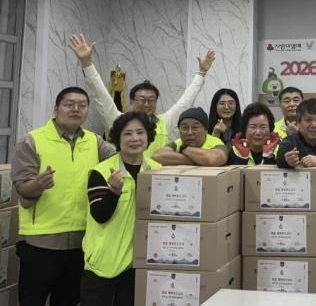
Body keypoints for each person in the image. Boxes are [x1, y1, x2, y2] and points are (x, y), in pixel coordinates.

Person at [11, 86, 117, 306]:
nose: (76, 109)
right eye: (69, 104)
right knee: (32, 301)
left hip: (81, 241)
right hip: (42, 242)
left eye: (82, 105)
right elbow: (22, 188)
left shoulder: (94, 141)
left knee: (68, 301)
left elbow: (121, 158)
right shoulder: (32, 141)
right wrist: (38, 184)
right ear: (56, 108)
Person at [68, 34, 215, 157]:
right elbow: (101, 95)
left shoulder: (163, 122)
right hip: (124, 177)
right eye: (142, 100)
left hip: (157, 178)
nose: (147, 104)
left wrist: (201, 73)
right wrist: (87, 63)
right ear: (131, 101)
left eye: (151, 100)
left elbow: (185, 101)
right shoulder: (118, 120)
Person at [80, 111, 160, 306]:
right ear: (118, 139)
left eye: (140, 132)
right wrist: (113, 192)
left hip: (137, 264)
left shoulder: (157, 171)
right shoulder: (101, 172)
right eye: (127, 134)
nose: (135, 139)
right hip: (103, 265)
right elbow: (99, 215)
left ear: (148, 136)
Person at [152, 108, 227, 166]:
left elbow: (214, 159)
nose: (189, 133)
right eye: (185, 128)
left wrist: (185, 149)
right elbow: (157, 156)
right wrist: (200, 160)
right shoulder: (177, 143)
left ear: (205, 130)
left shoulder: (215, 142)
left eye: (195, 127)